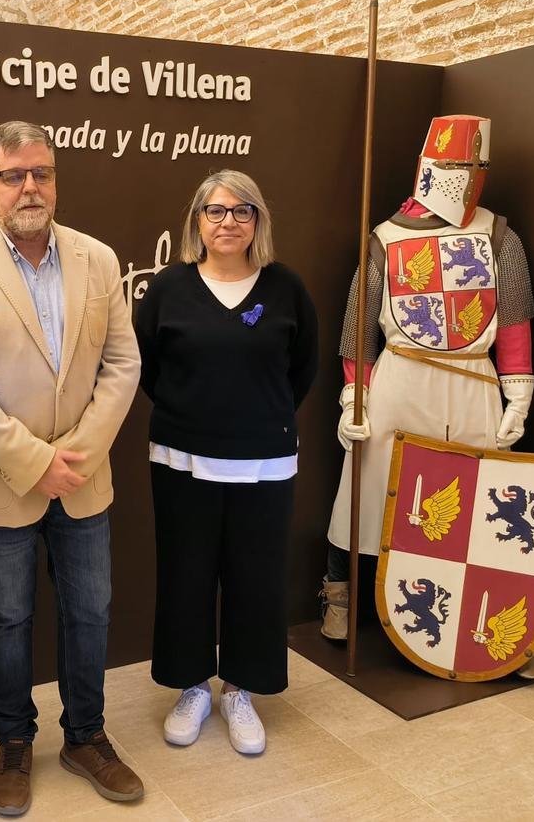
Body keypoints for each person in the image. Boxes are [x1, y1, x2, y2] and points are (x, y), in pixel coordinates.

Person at [0, 121, 143, 816]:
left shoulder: (98, 259)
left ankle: (86, 738)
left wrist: (74, 455)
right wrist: (34, 462)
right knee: (9, 619)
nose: (30, 187)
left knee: (90, 613)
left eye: (41, 173)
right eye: (14, 175)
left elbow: (123, 364)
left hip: (83, 477)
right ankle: (14, 742)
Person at [320, 115, 534, 677]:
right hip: (402, 375)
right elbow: (359, 331)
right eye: (458, 169)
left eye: (475, 170)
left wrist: (518, 393)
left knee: (484, 493)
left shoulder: (499, 237)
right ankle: (340, 591)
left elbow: (512, 322)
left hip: (472, 378)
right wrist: (354, 397)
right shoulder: (386, 239)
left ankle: (503, 627)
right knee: (368, 483)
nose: (467, 181)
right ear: (434, 169)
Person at [134, 170, 318, 755]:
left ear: (258, 221)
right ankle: (192, 686)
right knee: (186, 573)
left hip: (263, 462)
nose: (228, 222)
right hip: (181, 457)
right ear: (197, 221)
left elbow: (303, 369)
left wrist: (260, 418)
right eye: (216, 212)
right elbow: (146, 369)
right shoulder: (169, 289)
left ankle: (240, 689)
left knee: (255, 579)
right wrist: (195, 414)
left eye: (242, 211)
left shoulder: (286, 288)